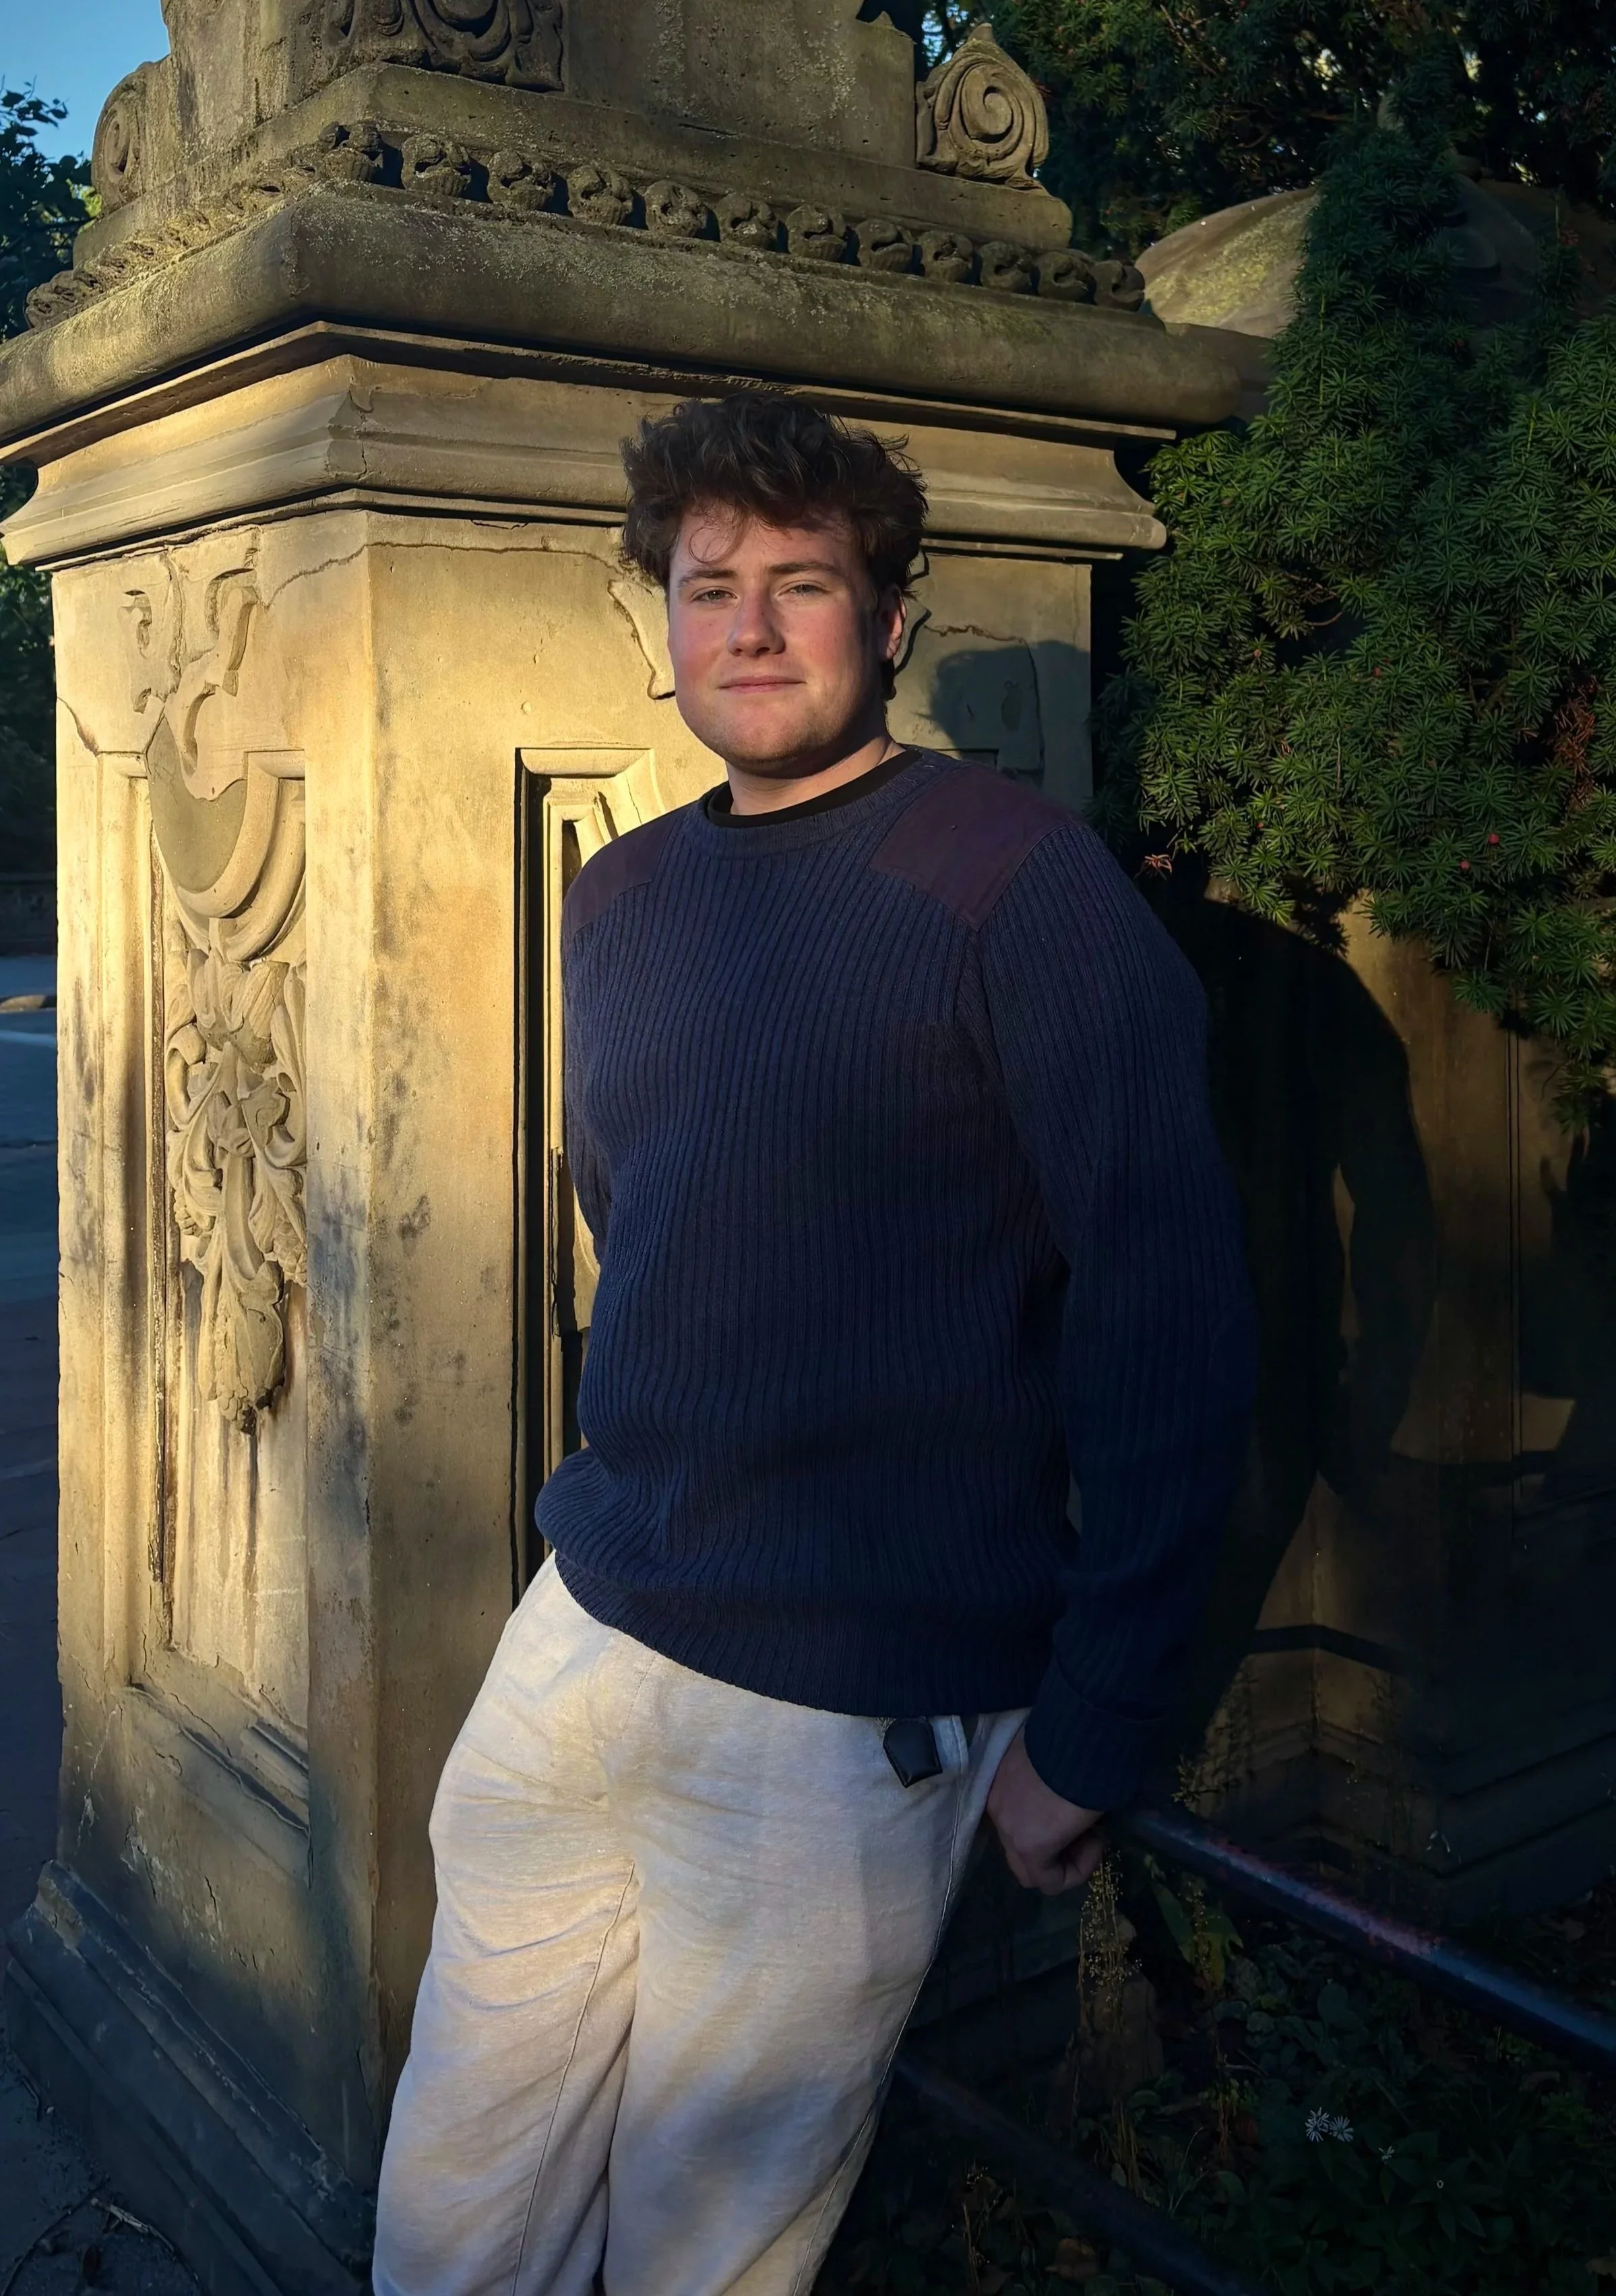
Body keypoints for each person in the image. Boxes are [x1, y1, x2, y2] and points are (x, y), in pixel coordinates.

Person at [373, 393, 1257, 2296]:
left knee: (708, 2249)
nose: (752, 629)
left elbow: (1167, 1331)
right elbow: (639, 1213)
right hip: (586, 1638)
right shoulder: (622, 895)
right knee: (459, 2188)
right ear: (659, 624)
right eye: (710, 590)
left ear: (892, 617)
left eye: (803, 585)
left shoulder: (1022, 893)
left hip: (844, 1718)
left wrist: (1097, 1727)